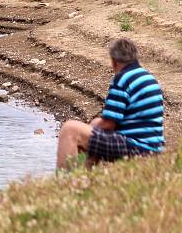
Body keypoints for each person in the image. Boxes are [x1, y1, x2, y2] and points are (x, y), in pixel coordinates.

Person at [56, 38, 164, 170]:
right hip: (153, 147)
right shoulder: (148, 77)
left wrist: (95, 124)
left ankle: (66, 181)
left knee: (70, 129)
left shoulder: (122, 79)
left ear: (114, 61)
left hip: (136, 148)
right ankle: (84, 177)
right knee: (93, 135)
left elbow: (109, 124)